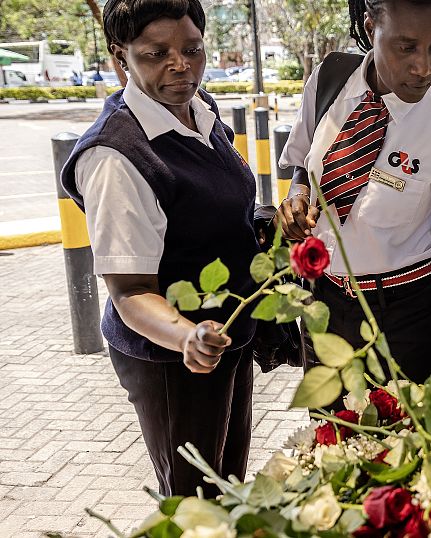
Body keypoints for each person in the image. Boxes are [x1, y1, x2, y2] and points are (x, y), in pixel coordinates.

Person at [58, 0, 257, 496]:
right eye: (155, 54)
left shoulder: (199, 109)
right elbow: (129, 291)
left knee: (228, 489)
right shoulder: (116, 155)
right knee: (192, 504)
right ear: (119, 56)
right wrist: (187, 336)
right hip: (172, 359)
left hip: (223, 339)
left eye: (192, 49)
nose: (180, 66)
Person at [276, 0, 431, 388]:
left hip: (410, 320)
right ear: (371, 25)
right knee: (329, 441)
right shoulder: (329, 80)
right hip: (326, 306)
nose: (424, 67)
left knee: (406, 442)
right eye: (406, 47)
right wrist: (296, 200)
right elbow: (302, 167)